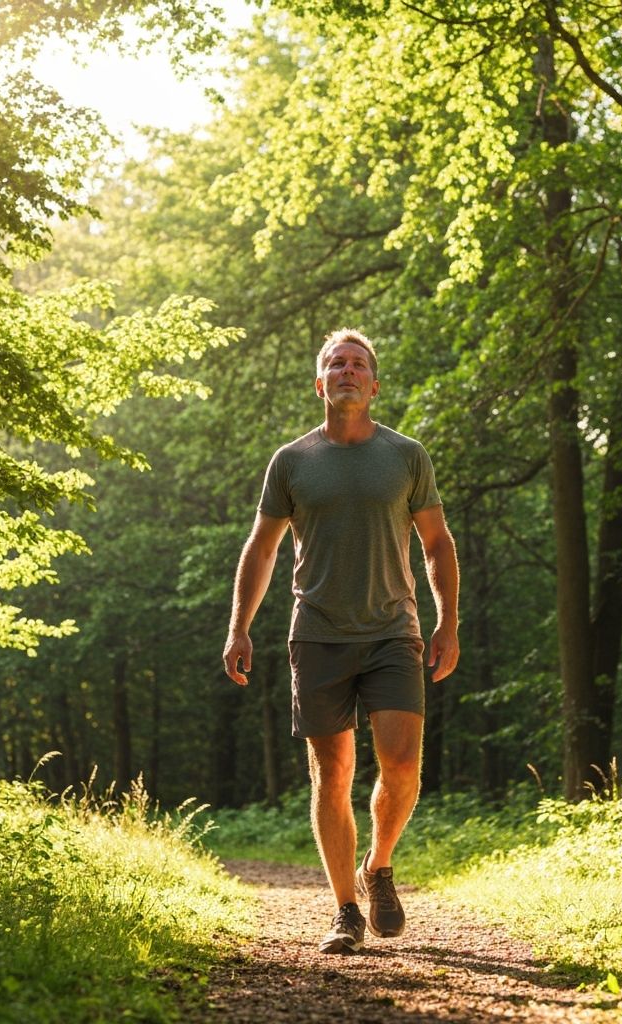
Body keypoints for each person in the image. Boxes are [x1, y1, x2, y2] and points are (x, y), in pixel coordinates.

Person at [223, 327, 460, 955]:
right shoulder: (292, 461)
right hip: (319, 634)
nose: (347, 370)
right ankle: (345, 910)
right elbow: (263, 546)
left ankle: (378, 866)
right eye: (336, 363)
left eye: (358, 363)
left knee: (402, 763)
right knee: (332, 772)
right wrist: (239, 626)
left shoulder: (406, 456)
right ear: (320, 382)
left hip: (393, 630)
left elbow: (436, 543)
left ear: (374, 384)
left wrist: (448, 621)